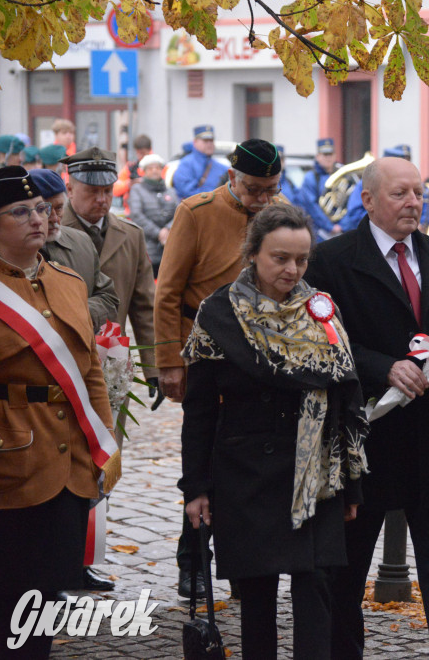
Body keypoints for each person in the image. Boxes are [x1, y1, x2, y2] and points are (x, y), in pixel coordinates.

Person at [304, 156, 429, 659]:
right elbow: (325, 344)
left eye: (419, 192)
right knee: (347, 572)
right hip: (365, 440)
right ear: (367, 200)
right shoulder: (332, 259)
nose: (413, 202)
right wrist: (382, 366)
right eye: (400, 193)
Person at [179, 203, 369, 658]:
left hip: (317, 472)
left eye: (301, 259)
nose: (292, 269)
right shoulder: (219, 313)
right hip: (246, 469)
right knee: (257, 593)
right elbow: (199, 410)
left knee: (316, 583)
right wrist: (196, 487)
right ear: (252, 254)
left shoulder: (320, 309)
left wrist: (352, 486)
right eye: (279, 258)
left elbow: (346, 395)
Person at [155, 138, 285, 598]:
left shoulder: (280, 212)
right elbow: (167, 291)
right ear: (231, 178)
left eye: (271, 189)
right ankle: (193, 558)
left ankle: (253, 555)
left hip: (264, 356)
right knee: (205, 453)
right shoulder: (197, 211)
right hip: (206, 352)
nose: (263, 200)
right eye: (253, 189)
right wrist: (170, 362)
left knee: (251, 453)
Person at [0, 166, 116, 658]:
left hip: (67, 464)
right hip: (8, 460)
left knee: (42, 604)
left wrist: (106, 441)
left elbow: (88, 370)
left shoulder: (66, 280)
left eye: (42, 209)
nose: (38, 220)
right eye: (20, 212)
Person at [61, 147, 158, 396]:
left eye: (107, 190)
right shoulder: (52, 233)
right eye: (92, 191)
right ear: (70, 190)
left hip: (113, 350)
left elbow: (144, 306)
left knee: (111, 432)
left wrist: (153, 368)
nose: (102, 199)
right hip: (62, 352)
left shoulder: (130, 235)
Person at [31, 168, 119, 331]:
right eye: (44, 210)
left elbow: (108, 298)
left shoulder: (81, 242)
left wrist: (78, 313)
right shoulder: (10, 251)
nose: (54, 219)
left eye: (58, 208)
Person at [128, 153, 180, 277]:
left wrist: (168, 229)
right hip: (147, 247)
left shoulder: (170, 191)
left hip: (169, 246)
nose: (154, 171)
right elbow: (136, 214)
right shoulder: (137, 190)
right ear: (144, 171)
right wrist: (158, 233)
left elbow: (179, 212)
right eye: (150, 168)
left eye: (157, 168)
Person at [297, 137, 343, 241]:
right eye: (325, 155)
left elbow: (349, 202)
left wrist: (343, 225)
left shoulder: (342, 174)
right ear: (318, 157)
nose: (328, 158)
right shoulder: (311, 177)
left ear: (335, 156)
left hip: (341, 230)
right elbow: (312, 206)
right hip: (320, 232)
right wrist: (330, 227)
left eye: (330, 154)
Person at [172, 125, 229, 200]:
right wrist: (213, 198)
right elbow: (187, 191)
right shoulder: (186, 164)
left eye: (211, 140)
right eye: (205, 141)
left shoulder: (222, 167)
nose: (209, 144)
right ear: (195, 142)